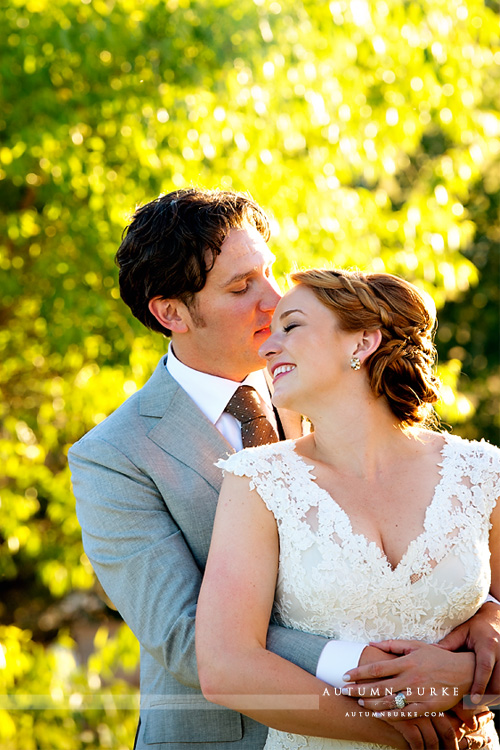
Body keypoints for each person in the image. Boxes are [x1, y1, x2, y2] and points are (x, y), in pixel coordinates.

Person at [69, 189, 498, 750]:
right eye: (241, 287)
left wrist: (485, 619)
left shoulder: (326, 382)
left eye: (268, 272)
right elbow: (185, 639)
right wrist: (375, 671)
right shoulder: (114, 457)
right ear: (171, 312)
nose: (272, 300)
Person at [196, 267, 500, 750]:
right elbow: (225, 666)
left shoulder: (483, 472)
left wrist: (465, 674)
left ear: (361, 343)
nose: (267, 347)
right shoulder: (258, 480)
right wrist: (398, 727)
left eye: (291, 326)